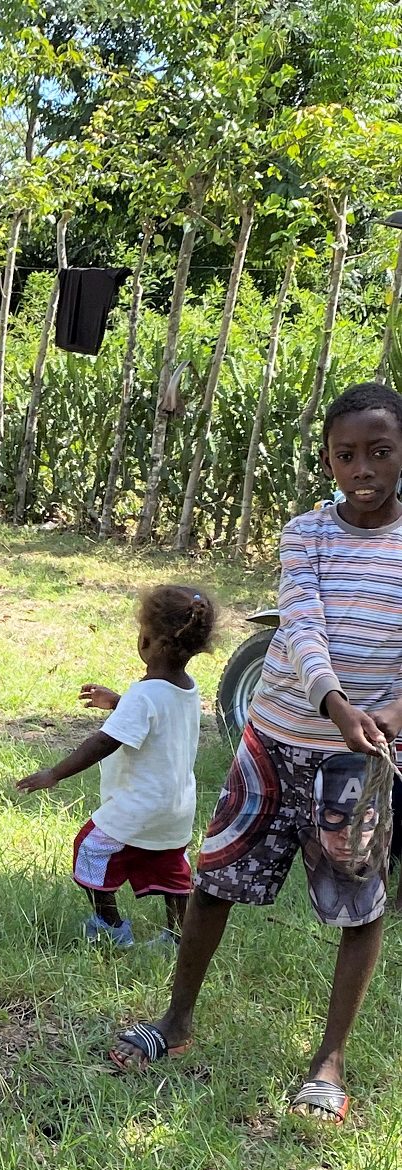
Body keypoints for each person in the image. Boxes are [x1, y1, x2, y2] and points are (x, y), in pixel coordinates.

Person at [110, 382, 402, 1123]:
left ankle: (328, 1062)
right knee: (215, 879)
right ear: (328, 460)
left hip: (357, 763)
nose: (362, 468)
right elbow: (300, 625)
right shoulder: (307, 534)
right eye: (345, 455)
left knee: (359, 906)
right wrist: (335, 702)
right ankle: (176, 1020)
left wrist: (389, 716)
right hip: (273, 742)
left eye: (379, 451)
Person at [16, 586, 216, 946]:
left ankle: (110, 927)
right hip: (176, 807)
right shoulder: (189, 688)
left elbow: (104, 742)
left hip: (137, 806)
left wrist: (54, 774)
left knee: (89, 849)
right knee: (170, 867)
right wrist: (119, 702)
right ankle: (178, 936)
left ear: (148, 641)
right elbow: (159, 716)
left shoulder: (144, 694)